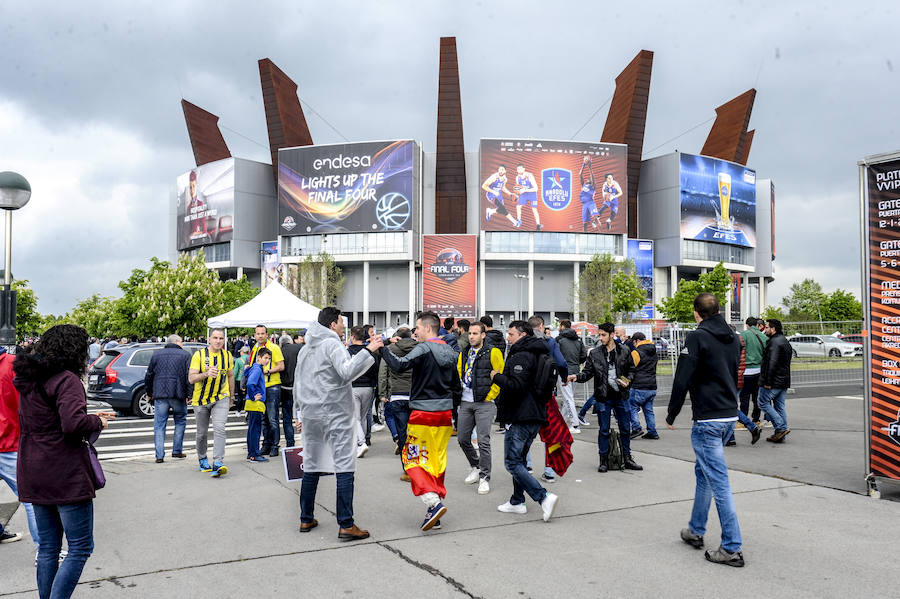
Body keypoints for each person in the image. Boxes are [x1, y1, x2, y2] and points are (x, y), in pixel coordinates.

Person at [13, 325, 117, 597]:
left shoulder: (29, 377)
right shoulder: (66, 379)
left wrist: (89, 415)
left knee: (48, 547)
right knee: (80, 547)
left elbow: (50, 417)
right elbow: (72, 424)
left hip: (32, 467)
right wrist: (97, 421)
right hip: (64, 472)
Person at [666, 293, 745, 567]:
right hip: (727, 415)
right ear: (719, 310)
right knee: (704, 474)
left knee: (719, 483)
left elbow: (683, 377)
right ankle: (696, 530)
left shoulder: (697, 337)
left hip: (708, 420)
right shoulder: (734, 337)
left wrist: (672, 411)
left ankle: (732, 547)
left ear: (696, 313)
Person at [295, 307, 381, 541]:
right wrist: (368, 351)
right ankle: (346, 523)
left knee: (311, 463)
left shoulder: (306, 349)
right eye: (341, 322)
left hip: (311, 412)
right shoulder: (332, 345)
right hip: (334, 411)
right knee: (344, 464)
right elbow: (346, 372)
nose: (343, 326)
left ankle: (306, 517)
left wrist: (299, 414)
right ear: (333, 324)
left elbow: (298, 383)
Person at [379, 311, 461, 532]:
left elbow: (399, 365)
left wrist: (382, 348)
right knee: (436, 460)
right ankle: (434, 509)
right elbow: (457, 387)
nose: (415, 332)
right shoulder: (451, 351)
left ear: (427, 328)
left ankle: (433, 503)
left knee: (412, 458)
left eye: (417, 328)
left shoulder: (424, 349)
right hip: (444, 413)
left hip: (423, 412)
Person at [490, 320, 559, 521]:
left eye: (511, 334)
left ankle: (543, 497)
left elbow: (516, 385)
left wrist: (497, 377)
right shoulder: (539, 352)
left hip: (521, 415)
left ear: (522, 335)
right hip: (534, 414)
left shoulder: (521, 355)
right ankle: (517, 501)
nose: (507, 338)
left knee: (512, 463)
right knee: (519, 460)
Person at [568, 322, 643, 472]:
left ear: (612, 334)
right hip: (603, 396)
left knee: (625, 428)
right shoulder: (595, 353)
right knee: (604, 429)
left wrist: (626, 381)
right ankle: (603, 460)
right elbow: (588, 372)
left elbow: (632, 370)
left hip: (621, 396)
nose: (600, 337)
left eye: (603, 335)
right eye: (599, 334)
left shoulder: (625, 350)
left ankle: (627, 458)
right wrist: (576, 376)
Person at [456, 322, 504, 495]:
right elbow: (460, 372)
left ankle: (485, 477)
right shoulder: (465, 352)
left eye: (475, 333)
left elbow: (499, 375)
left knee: (483, 441)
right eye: (470, 333)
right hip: (466, 401)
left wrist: (490, 396)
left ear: (483, 335)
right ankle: (475, 466)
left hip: (484, 402)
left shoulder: (493, 351)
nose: (471, 336)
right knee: (462, 438)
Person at [0, 347, 39, 547]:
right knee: (32, 500)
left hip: (9, 440)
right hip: (9, 442)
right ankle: (45, 551)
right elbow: (26, 404)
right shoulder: (13, 364)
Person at [188, 329, 235, 477]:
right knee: (202, 433)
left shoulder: (227, 356)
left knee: (220, 428)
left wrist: (232, 397)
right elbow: (191, 378)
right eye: (215, 337)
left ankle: (218, 462)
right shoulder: (199, 355)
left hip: (221, 397)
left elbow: (231, 376)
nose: (218, 341)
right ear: (209, 339)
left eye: (221, 338)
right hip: (201, 400)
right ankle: (202, 458)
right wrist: (206, 374)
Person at [144, 334, 191, 463]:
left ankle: (159, 455)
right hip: (178, 394)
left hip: (160, 394)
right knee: (180, 421)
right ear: (176, 342)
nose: (183, 344)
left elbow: (149, 375)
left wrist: (149, 392)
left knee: (159, 425)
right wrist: (189, 394)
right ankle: (177, 450)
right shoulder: (186, 355)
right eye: (181, 341)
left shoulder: (156, 355)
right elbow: (189, 376)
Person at [378, 328, 416, 480]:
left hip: (397, 395)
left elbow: (383, 371)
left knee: (402, 434)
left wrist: (383, 392)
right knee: (416, 433)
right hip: (414, 395)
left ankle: (407, 469)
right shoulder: (418, 348)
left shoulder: (390, 349)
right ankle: (418, 466)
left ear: (397, 337)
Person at [248, 325, 285, 457]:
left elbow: (281, 365)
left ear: (267, 334)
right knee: (263, 418)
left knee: (272, 417)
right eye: (258, 334)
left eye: (262, 333)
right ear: (255, 335)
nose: (260, 336)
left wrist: (267, 371)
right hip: (260, 387)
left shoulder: (274, 348)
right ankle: (266, 444)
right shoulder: (254, 349)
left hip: (272, 385)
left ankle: (275, 445)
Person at [348, 326, 380, 457]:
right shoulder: (370, 352)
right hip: (368, 386)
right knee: (363, 416)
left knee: (354, 417)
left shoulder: (347, 351)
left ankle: (360, 443)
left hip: (353, 386)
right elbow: (376, 369)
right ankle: (364, 439)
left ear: (352, 336)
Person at [759, 318, 792, 443]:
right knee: (780, 406)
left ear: (773, 329)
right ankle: (780, 435)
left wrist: (767, 381)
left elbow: (771, 363)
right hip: (783, 380)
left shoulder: (774, 342)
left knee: (762, 402)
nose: (765, 329)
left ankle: (781, 428)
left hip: (773, 380)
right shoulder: (784, 341)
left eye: (767, 327)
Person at [555, 320, 587, 432]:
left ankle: (575, 425)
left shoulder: (559, 340)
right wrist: (577, 363)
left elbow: (556, 356)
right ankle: (562, 422)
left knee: (568, 398)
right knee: (568, 397)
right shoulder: (578, 339)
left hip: (564, 371)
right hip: (575, 371)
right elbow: (584, 355)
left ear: (562, 326)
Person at [628, 332, 660, 440]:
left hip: (638, 386)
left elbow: (630, 368)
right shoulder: (654, 352)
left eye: (633, 342)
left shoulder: (636, 352)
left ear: (637, 341)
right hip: (652, 386)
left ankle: (636, 428)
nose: (633, 344)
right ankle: (652, 431)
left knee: (632, 407)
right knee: (648, 409)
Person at [245, 348, 271, 462]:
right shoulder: (257, 369)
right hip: (256, 403)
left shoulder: (254, 368)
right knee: (255, 430)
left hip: (252, 403)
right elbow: (250, 383)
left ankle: (251, 453)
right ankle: (254, 454)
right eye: (265, 358)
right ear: (259, 358)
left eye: (269, 359)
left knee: (252, 429)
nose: (267, 361)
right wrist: (253, 396)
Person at [279, 333, 304, 448]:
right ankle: (304, 440)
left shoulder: (279, 351)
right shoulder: (299, 348)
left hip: (285, 387)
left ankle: (290, 442)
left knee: (287, 416)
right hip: (300, 386)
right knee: (302, 414)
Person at [740, 317, 767, 425]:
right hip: (759, 370)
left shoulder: (743, 335)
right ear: (757, 325)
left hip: (746, 370)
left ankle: (743, 420)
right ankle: (756, 419)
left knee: (744, 397)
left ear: (747, 325)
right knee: (756, 397)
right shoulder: (763, 336)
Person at [514, 164, 543, 231]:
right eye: (518, 169)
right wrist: (518, 192)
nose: (519, 170)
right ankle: (519, 221)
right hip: (524, 194)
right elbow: (518, 187)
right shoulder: (517, 177)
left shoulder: (529, 176)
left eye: (521, 169)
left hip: (532, 193)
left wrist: (525, 190)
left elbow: (536, 188)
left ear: (524, 169)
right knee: (518, 206)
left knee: (534, 209)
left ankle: (538, 224)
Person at [579, 155, 602, 232]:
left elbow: (592, 176)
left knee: (595, 218)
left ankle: (602, 233)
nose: (588, 179)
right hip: (584, 204)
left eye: (590, 179)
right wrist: (583, 165)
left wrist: (590, 166)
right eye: (588, 178)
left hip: (590, 203)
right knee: (585, 224)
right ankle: (584, 237)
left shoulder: (593, 185)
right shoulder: (584, 185)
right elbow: (580, 175)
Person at [232, 345, 250, 412]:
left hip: (239, 379)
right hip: (249, 379)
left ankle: (239, 410)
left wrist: (233, 380)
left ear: (242, 352)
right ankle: (247, 410)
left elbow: (235, 371)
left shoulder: (238, 360)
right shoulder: (250, 359)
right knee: (248, 395)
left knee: (239, 396)